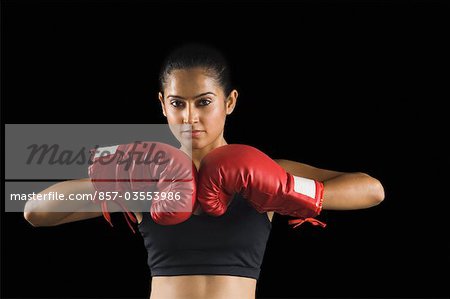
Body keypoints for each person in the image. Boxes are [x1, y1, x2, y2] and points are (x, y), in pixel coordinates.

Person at [24, 43, 385, 299]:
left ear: (229, 102)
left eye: (204, 102)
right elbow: (36, 212)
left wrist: (287, 188)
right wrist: (114, 180)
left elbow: (373, 190)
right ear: (163, 105)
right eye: (178, 103)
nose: (190, 117)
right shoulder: (145, 175)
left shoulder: (267, 170)